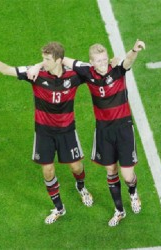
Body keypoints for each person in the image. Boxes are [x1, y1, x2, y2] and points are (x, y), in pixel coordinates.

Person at [27, 39, 145, 227]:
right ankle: (119, 211)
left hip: (123, 129)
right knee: (110, 170)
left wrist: (134, 50)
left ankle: (133, 193)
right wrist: (38, 65)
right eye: (98, 61)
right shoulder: (86, 71)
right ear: (91, 62)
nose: (103, 64)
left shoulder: (117, 70)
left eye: (105, 59)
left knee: (128, 176)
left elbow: (128, 61)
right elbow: (61, 59)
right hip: (103, 130)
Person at [0, 41, 93, 225]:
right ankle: (59, 208)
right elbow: (6, 69)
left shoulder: (74, 75)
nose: (43, 62)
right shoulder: (35, 74)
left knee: (76, 167)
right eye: (43, 58)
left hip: (67, 131)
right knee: (48, 170)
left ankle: (81, 187)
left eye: (47, 59)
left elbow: (94, 68)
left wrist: (114, 61)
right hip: (44, 132)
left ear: (59, 60)